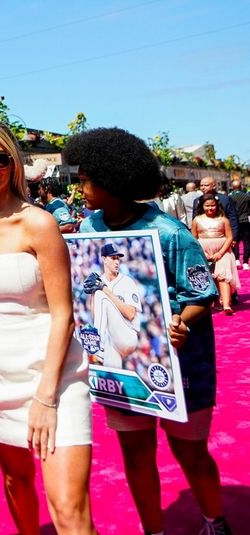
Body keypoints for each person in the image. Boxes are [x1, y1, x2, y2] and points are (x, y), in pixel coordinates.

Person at [63, 127, 232, 535]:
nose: (79, 187)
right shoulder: (88, 231)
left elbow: (202, 294)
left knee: (190, 453)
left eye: (85, 179)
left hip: (179, 364)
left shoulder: (171, 232)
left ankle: (215, 521)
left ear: (113, 178)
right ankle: (152, 530)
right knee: (136, 456)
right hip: (120, 368)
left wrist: (180, 321)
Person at [0, 120, 95, 534]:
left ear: (14, 162)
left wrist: (46, 398)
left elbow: (65, 313)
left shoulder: (39, 224)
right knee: (16, 481)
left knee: (68, 510)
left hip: (54, 375)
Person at [83, 243, 143, 367]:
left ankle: (97, 348)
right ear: (104, 259)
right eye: (113, 258)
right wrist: (94, 292)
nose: (117, 262)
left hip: (127, 335)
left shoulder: (127, 282)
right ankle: (99, 351)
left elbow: (131, 314)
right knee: (112, 377)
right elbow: (96, 317)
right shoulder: (100, 282)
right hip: (111, 340)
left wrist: (104, 290)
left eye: (118, 258)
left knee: (101, 295)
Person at [192, 193, 239, 315]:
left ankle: (227, 305)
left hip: (223, 252)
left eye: (212, 205)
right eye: (207, 206)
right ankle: (216, 302)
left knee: (223, 277)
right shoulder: (197, 220)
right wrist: (202, 253)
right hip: (203, 253)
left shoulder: (224, 219)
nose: (210, 208)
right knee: (210, 277)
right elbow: (193, 238)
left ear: (217, 205)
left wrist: (220, 253)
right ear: (202, 206)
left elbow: (229, 237)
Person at [229, 180, 250, 269]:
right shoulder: (247, 196)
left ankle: (236, 260)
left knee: (235, 241)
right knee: (247, 242)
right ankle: (245, 262)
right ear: (240, 186)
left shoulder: (229, 197)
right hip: (245, 221)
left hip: (234, 222)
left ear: (232, 187)